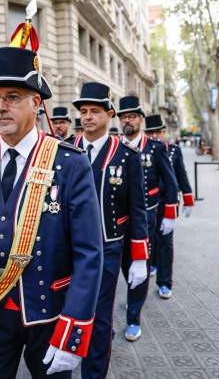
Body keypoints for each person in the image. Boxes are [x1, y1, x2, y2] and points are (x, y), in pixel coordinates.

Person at [0, 46, 103, 378]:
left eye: (12, 96)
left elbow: (89, 252)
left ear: (36, 103)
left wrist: (73, 330)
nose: (1, 106)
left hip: (49, 315)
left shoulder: (70, 164)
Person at [70, 82, 148, 378]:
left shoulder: (126, 156)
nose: (87, 117)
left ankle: (94, 372)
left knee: (100, 315)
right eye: (84, 111)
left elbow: (137, 208)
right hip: (68, 247)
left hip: (107, 246)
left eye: (94, 111)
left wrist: (139, 256)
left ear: (109, 114)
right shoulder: (66, 151)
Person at [118, 95, 179, 341]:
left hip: (148, 213)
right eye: (123, 117)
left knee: (141, 263)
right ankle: (134, 298)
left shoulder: (155, 148)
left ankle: (134, 315)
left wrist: (170, 214)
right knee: (125, 267)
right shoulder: (116, 148)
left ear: (141, 120)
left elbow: (171, 182)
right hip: (120, 220)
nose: (127, 121)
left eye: (132, 116)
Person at [145, 114, 194, 299]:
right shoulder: (140, 150)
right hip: (147, 203)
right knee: (149, 241)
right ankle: (152, 265)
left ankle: (165, 282)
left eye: (158, 132)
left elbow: (181, 175)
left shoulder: (173, 150)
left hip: (167, 202)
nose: (155, 136)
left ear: (164, 132)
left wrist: (188, 199)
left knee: (166, 241)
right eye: (151, 132)